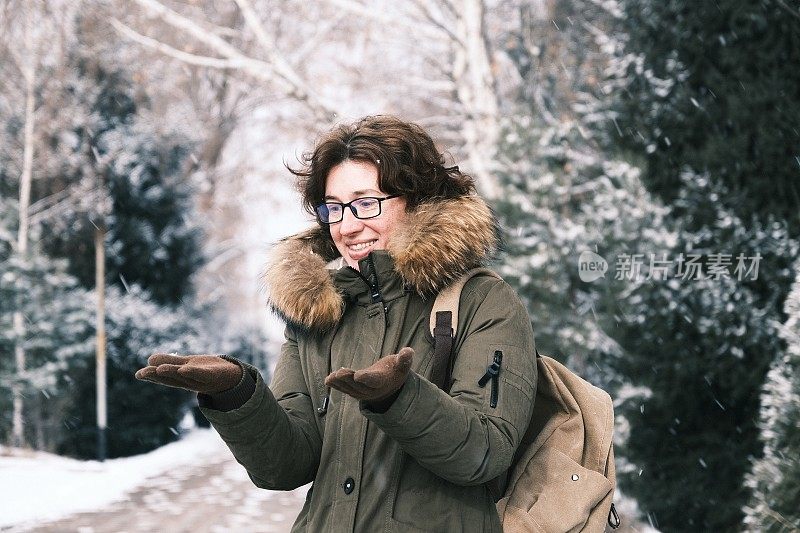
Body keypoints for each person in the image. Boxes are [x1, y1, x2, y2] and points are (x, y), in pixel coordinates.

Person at [135, 115, 537, 532]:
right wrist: (235, 395)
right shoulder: (316, 312)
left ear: (417, 201)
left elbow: (485, 453)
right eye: (334, 208)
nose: (347, 226)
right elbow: (286, 467)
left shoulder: (482, 301)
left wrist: (399, 398)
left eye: (366, 203)